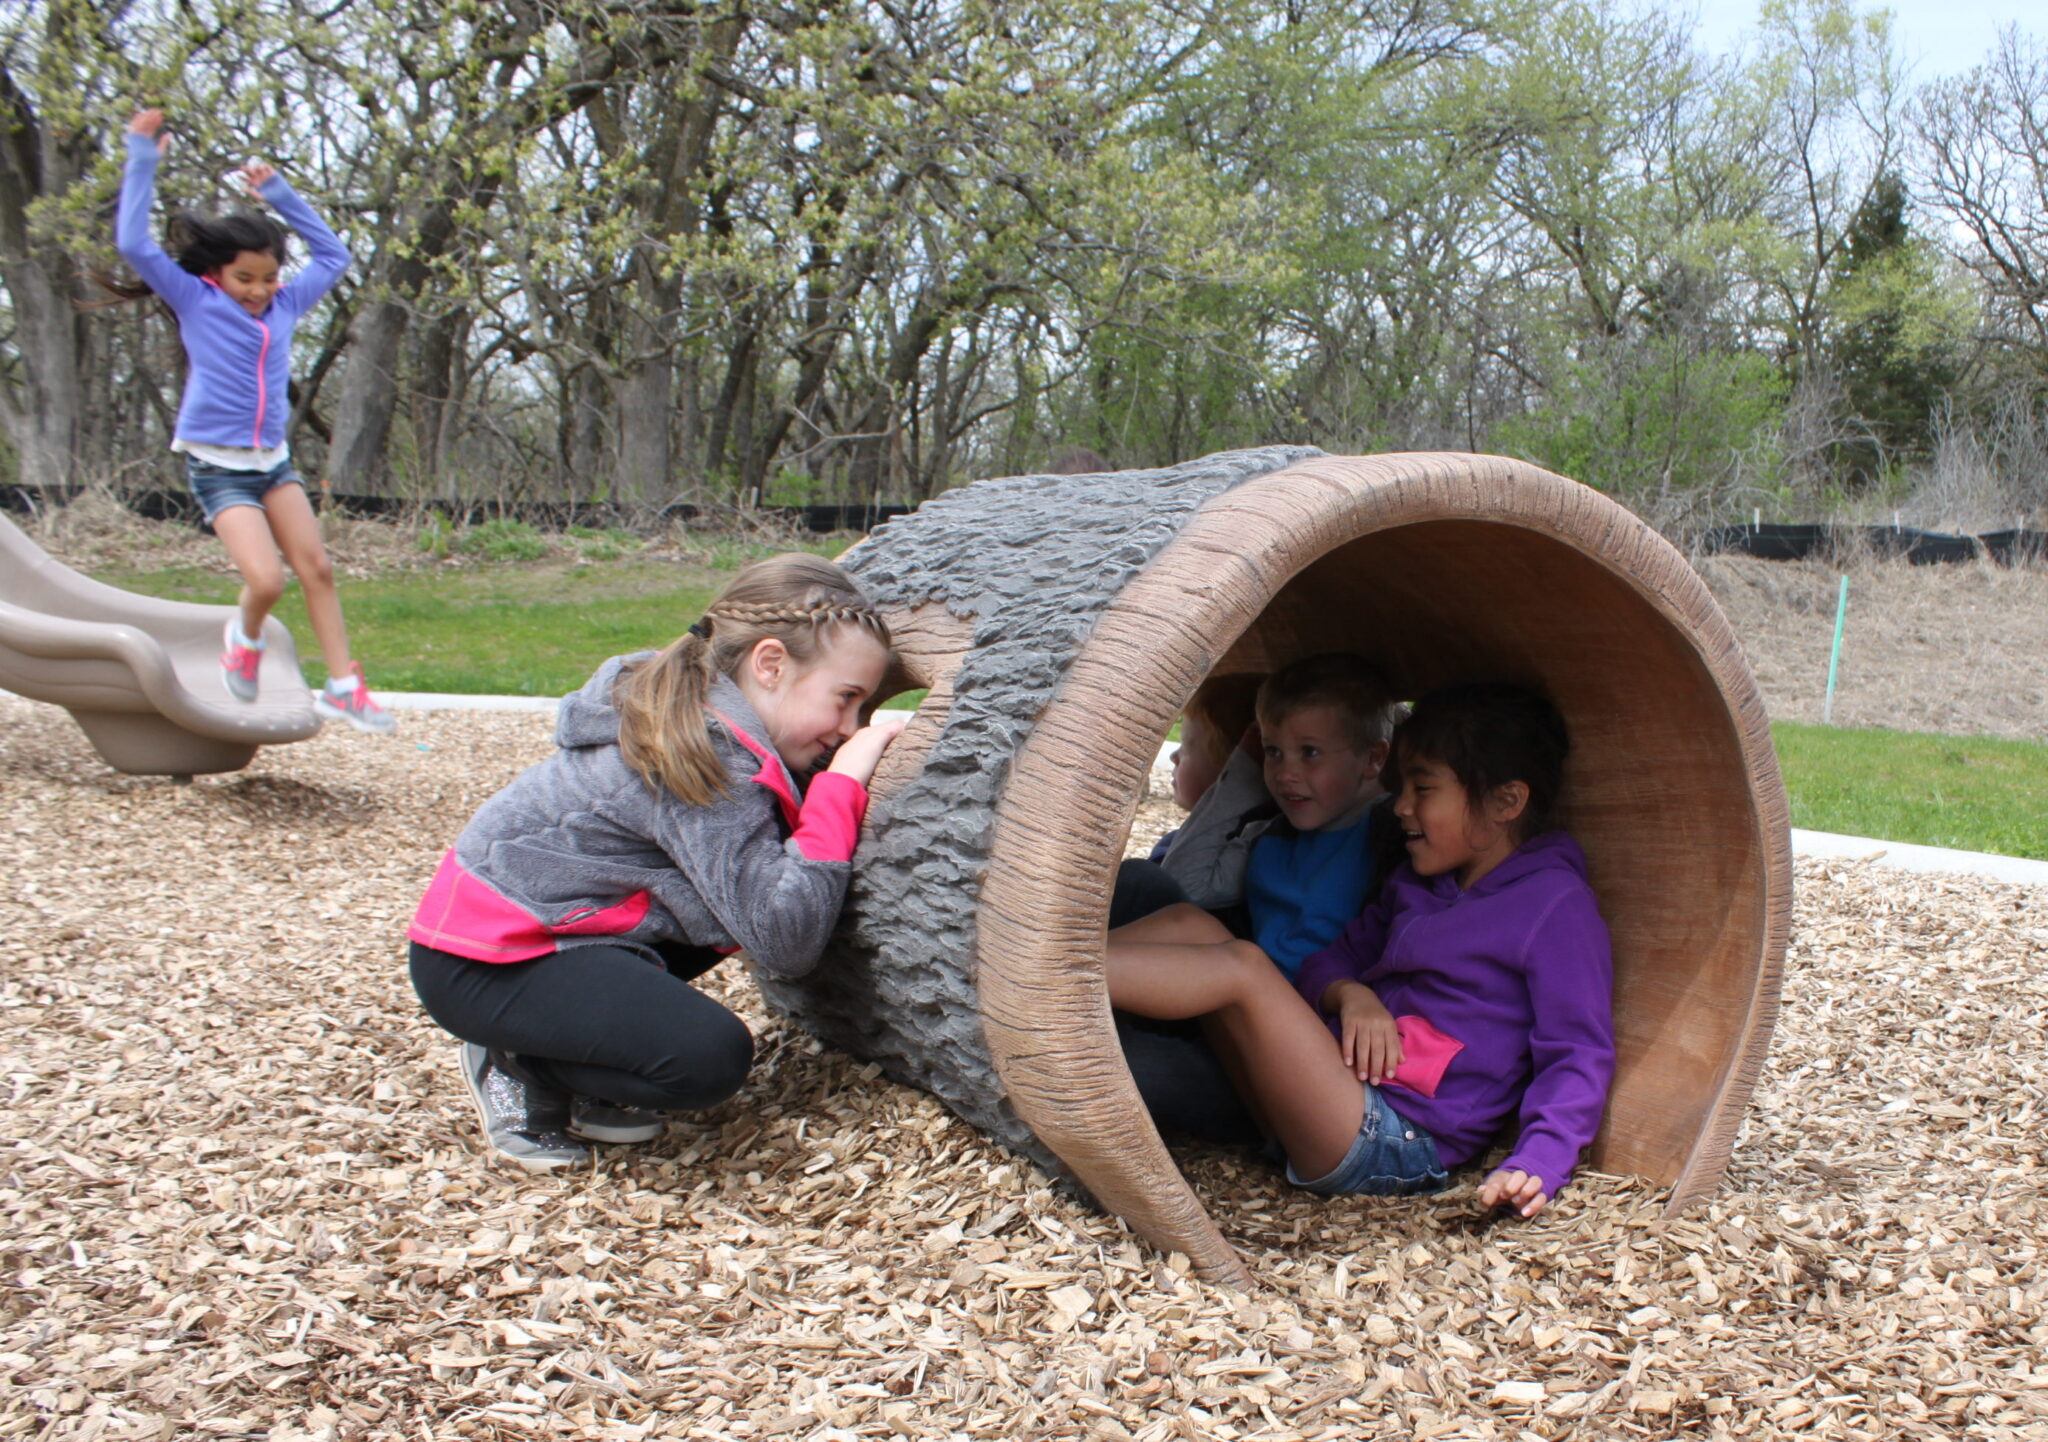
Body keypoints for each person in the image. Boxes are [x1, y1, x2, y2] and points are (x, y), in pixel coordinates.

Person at [406, 553, 904, 1170]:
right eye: (847, 699)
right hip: (486, 960)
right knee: (705, 1061)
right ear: (770, 663)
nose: (850, 727)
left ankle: (588, 1066)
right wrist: (840, 787)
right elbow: (784, 939)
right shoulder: (708, 758)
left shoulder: (704, 718)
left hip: (560, 930)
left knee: (723, 915)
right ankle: (515, 1059)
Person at [1108, 683, 1614, 1215]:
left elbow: (1578, 1053)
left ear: (1506, 801)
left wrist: (1538, 1160)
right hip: (1331, 1090)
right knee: (1191, 923)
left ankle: (1041, 976)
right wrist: (1352, 995)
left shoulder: (1554, 906)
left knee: (1245, 967)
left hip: (1397, 1141)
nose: (1401, 807)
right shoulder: (1417, 885)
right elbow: (1328, 962)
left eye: (1423, 790)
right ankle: (1040, 955)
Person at [108, 109, 391, 732]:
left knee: (316, 568)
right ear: (216, 273)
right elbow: (133, 244)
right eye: (244, 278)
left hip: (273, 462)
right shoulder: (195, 299)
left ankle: (344, 686)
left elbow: (334, 252)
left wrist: (279, 195)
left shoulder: (287, 303)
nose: (259, 290)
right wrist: (142, 156)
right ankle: (245, 635)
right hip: (217, 466)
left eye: (267, 278)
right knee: (264, 580)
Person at [1113, 654, 1397, 1142]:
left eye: (1309, 752)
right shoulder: (1272, 835)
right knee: (1142, 880)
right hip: (1225, 1016)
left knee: (1134, 1071)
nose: (1286, 773)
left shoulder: (1387, 831)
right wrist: (1245, 770)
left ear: (1373, 759)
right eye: (1273, 752)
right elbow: (1187, 883)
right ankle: (1055, 981)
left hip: (1296, 1064)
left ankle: (1052, 990)